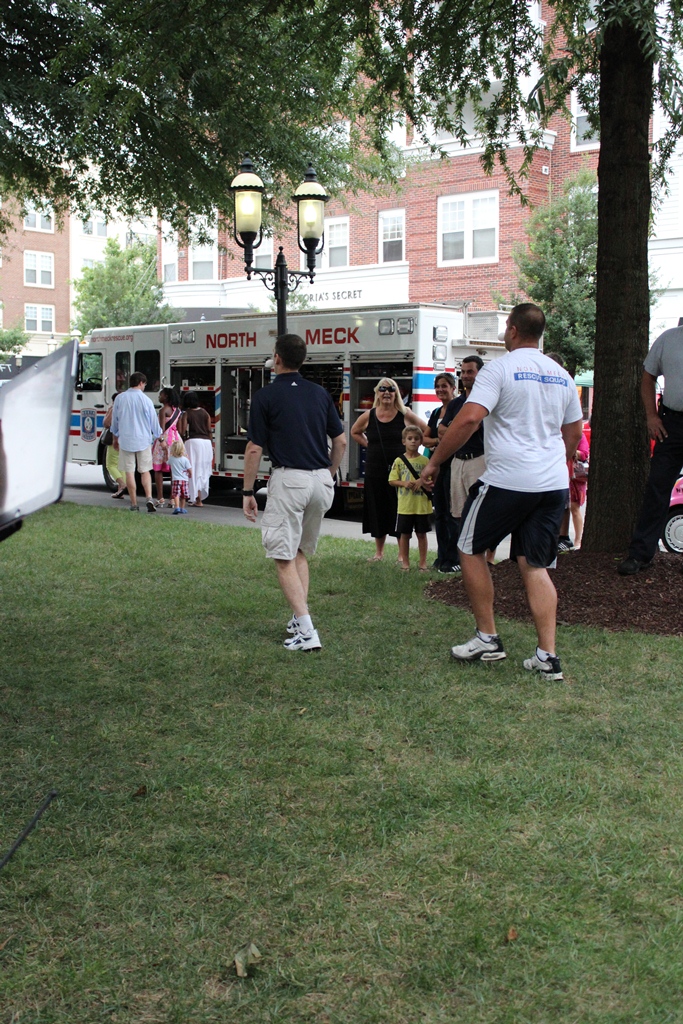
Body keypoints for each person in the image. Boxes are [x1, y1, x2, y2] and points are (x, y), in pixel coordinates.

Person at [420, 303, 584, 681]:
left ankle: (488, 638)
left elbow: (469, 418)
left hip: (509, 480)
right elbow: (574, 433)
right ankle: (547, 656)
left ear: (511, 329)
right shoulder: (561, 375)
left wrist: (435, 462)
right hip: (551, 485)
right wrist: (552, 460)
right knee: (535, 565)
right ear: (539, 333)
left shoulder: (499, 369)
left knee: (468, 547)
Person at [242, 333, 346, 652]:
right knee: (299, 551)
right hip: (321, 480)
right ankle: (299, 620)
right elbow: (340, 441)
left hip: (290, 480)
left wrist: (247, 491)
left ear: (277, 357)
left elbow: (254, 448)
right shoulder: (319, 393)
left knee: (283, 556)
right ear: (303, 359)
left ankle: (307, 631)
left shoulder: (265, 396)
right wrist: (329, 474)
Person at [618, 323, 683, 574]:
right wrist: (651, 416)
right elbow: (648, 377)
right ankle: (640, 554)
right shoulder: (668, 339)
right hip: (672, 423)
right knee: (657, 486)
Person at [351, 378, 427, 562]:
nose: (387, 393)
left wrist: (414, 450)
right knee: (377, 508)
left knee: (398, 509)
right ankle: (379, 552)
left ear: (396, 394)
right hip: (375, 468)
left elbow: (425, 430)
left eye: (391, 389)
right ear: (377, 392)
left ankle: (402, 553)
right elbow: (354, 431)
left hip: (401, 470)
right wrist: (369, 445)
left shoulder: (405, 414)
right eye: (383, 389)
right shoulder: (369, 415)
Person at [441, 356, 487, 561]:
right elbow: (440, 430)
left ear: (480, 373)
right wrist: (457, 429)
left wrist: (455, 429)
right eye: (463, 372)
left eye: (470, 372)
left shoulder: (485, 400)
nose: (466, 376)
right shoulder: (456, 403)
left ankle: (484, 558)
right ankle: (464, 559)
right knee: (458, 513)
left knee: (480, 513)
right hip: (457, 460)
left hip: (478, 460)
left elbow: (472, 427)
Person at [422, 373, 460, 573]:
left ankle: (454, 559)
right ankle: (442, 556)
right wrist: (440, 440)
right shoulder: (437, 412)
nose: (440, 390)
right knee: (440, 514)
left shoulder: (459, 408)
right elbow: (425, 439)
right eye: (437, 386)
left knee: (453, 514)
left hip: (455, 465)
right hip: (439, 466)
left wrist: (442, 439)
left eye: (444, 386)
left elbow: (457, 435)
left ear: (453, 388)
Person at [111, 371, 162, 512]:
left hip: (126, 440)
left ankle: (134, 503)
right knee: (145, 471)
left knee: (129, 472)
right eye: (144, 384)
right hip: (143, 440)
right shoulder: (146, 400)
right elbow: (153, 422)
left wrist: (115, 438)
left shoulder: (120, 398)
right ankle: (149, 498)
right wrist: (159, 436)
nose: (144, 386)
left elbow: (115, 421)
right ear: (141, 383)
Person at [389, 425, 433, 570]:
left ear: (421, 441)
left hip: (422, 505)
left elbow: (431, 480)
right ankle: (405, 563)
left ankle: (423, 563)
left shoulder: (425, 461)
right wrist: (404, 483)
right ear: (404, 441)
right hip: (405, 506)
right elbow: (392, 480)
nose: (413, 441)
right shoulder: (399, 461)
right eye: (410, 438)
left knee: (422, 534)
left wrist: (423, 482)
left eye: (416, 439)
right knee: (405, 534)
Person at [180, 392, 213, 507]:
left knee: (193, 470)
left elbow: (183, 431)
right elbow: (209, 430)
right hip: (206, 443)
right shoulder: (205, 413)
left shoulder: (187, 413)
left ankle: (196, 498)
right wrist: (211, 444)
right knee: (203, 471)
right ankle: (199, 498)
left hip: (193, 443)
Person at [152, 387, 182, 507]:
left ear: (167, 397)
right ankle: (173, 499)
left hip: (164, 441)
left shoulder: (163, 410)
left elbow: (161, 429)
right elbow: (179, 428)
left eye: (161, 395)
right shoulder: (178, 411)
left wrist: (161, 440)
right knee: (174, 470)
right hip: (175, 439)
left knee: (158, 469)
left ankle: (160, 498)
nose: (159, 397)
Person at [102, 392, 127, 499]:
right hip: (126, 439)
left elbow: (106, 423)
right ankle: (120, 491)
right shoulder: (127, 409)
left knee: (110, 465)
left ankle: (122, 484)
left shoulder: (114, 409)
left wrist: (109, 410)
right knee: (121, 465)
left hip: (115, 439)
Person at [569, 430, 590, 548]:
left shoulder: (579, 436)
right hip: (562, 474)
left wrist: (570, 450)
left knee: (574, 508)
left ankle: (578, 540)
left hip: (576, 477)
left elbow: (584, 454)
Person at [168, 439, 192, 515]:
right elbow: (189, 469)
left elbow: (167, 463)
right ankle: (182, 508)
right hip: (184, 480)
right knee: (183, 495)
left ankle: (177, 507)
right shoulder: (185, 460)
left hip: (176, 479)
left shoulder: (171, 459)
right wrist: (190, 474)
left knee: (176, 494)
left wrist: (165, 452)